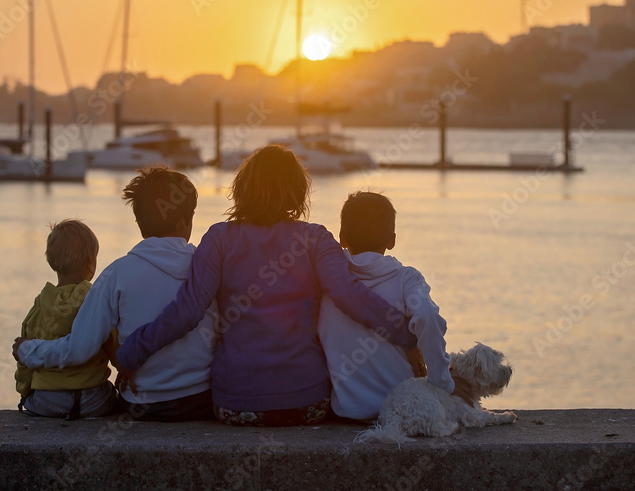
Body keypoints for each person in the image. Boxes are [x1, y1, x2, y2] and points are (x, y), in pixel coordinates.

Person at [116, 144, 420, 427]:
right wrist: (409, 336)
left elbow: (187, 311)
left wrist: (130, 354)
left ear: (242, 188)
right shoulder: (316, 239)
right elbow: (352, 297)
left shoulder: (218, 240)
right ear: (297, 192)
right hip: (307, 403)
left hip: (234, 406)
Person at [13, 168, 216, 421]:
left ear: (140, 223)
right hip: (201, 399)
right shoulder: (208, 269)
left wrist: (28, 350)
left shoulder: (116, 274)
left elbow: (79, 349)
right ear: (184, 222)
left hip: (143, 404)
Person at [319, 191, 471, 422]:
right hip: (405, 411)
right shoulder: (406, 279)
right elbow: (428, 317)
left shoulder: (326, 284)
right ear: (392, 240)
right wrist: (442, 382)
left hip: (348, 412)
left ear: (341, 237)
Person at [14, 219, 118, 419]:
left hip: (48, 400)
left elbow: (24, 363)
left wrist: (24, 390)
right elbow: (114, 348)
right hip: (93, 399)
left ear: (53, 263)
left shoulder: (39, 307)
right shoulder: (97, 301)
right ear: (91, 263)